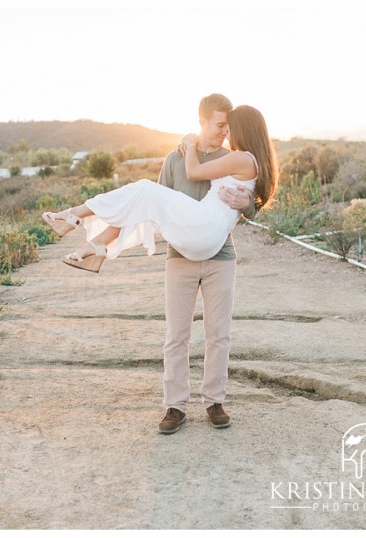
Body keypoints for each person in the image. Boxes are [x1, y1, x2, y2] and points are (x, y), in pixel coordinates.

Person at [42, 96, 278, 432]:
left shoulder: (232, 157)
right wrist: (187, 149)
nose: (225, 133)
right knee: (176, 335)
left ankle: (214, 402)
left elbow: (252, 199)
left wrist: (248, 206)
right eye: (220, 125)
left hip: (218, 254)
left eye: (229, 127)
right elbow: (148, 207)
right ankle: (175, 406)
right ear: (203, 122)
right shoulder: (174, 159)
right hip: (182, 253)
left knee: (218, 335)